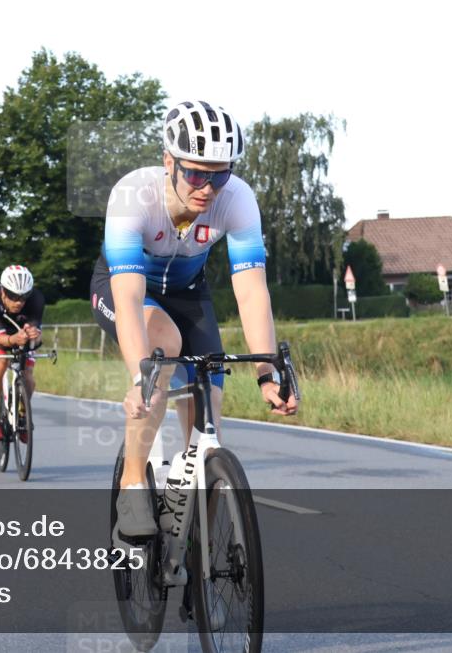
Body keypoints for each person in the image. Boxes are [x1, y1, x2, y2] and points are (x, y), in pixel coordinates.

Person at [90, 100, 298, 537]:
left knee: (208, 433)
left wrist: (266, 372)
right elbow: (129, 300)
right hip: (124, 285)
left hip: (189, 293)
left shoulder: (237, 199)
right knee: (162, 347)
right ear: (169, 161)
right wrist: (137, 378)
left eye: (219, 174)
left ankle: (191, 549)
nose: (208, 187)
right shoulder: (133, 196)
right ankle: (132, 485)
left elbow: (251, 290)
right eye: (196, 173)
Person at [0, 265, 45, 442]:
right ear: (2, 292)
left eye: (23, 297)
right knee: (0, 363)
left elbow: (36, 337)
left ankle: (22, 414)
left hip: (21, 332)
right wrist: (13, 339)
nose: (18, 302)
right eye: (13, 297)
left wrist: (34, 336)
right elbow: (1, 338)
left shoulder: (36, 299)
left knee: (28, 374)